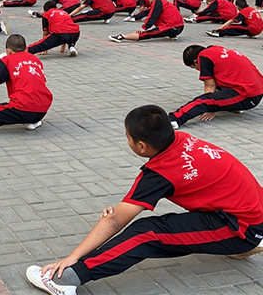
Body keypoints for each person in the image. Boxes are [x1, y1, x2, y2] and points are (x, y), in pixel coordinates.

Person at [26, 104, 263, 295]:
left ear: (141, 146)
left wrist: (72, 257)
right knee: (173, 225)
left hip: (242, 226)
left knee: (145, 233)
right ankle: (246, 241)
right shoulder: (182, 139)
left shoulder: (160, 174)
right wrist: (120, 211)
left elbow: (116, 222)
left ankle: (68, 279)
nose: (126, 140)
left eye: (127, 137)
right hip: (251, 208)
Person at [169, 45, 263, 128]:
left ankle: (174, 120)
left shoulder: (203, 57)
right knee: (218, 82)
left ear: (196, 62)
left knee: (203, 101)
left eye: (194, 67)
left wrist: (211, 107)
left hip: (248, 95)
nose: (197, 70)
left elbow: (210, 85)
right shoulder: (215, 50)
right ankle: (235, 107)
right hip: (256, 90)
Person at [109, 0, 183, 43]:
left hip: (172, 27)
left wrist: (144, 28)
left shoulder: (158, 1)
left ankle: (122, 37)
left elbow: (152, 16)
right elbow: (146, 11)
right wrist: (134, 17)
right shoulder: (163, 2)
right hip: (179, 27)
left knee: (147, 34)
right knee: (158, 27)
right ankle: (172, 35)